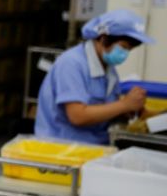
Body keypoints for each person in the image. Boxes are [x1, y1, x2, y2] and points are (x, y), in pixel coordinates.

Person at [35, 9, 155, 144]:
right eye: (123, 47)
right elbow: (78, 116)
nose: (125, 54)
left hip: (93, 146)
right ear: (104, 39)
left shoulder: (109, 70)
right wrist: (124, 105)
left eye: (129, 50)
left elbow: (104, 109)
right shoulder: (72, 63)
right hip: (62, 149)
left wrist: (127, 110)